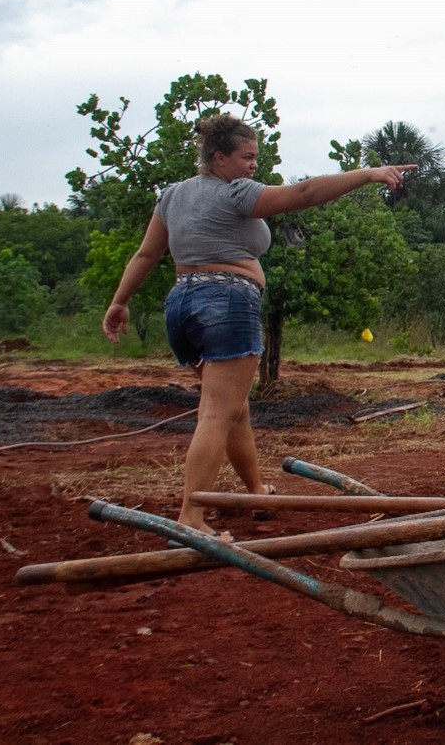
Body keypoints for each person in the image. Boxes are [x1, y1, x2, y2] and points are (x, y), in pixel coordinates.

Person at [102, 113, 414, 540]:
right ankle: (191, 518)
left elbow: (145, 255)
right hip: (226, 301)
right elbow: (304, 193)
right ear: (219, 158)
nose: (253, 166)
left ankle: (253, 490)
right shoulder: (236, 193)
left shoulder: (172, 195)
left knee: (233, 407)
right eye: (247, 157)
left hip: (181, 303)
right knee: (216, 412)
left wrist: (120, 302)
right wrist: (368, 174)